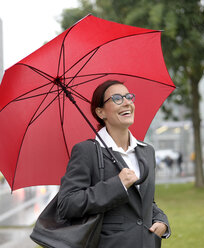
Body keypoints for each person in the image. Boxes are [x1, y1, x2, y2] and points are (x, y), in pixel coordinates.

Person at [57, 80, 170, 247]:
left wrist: (162, 221)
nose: (126, 102)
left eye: (128, 97)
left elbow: (146, 203)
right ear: (101, 112)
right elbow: (67, 204)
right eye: (117, 98)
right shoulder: (87, 151)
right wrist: (118, 185)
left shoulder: (147, 151)